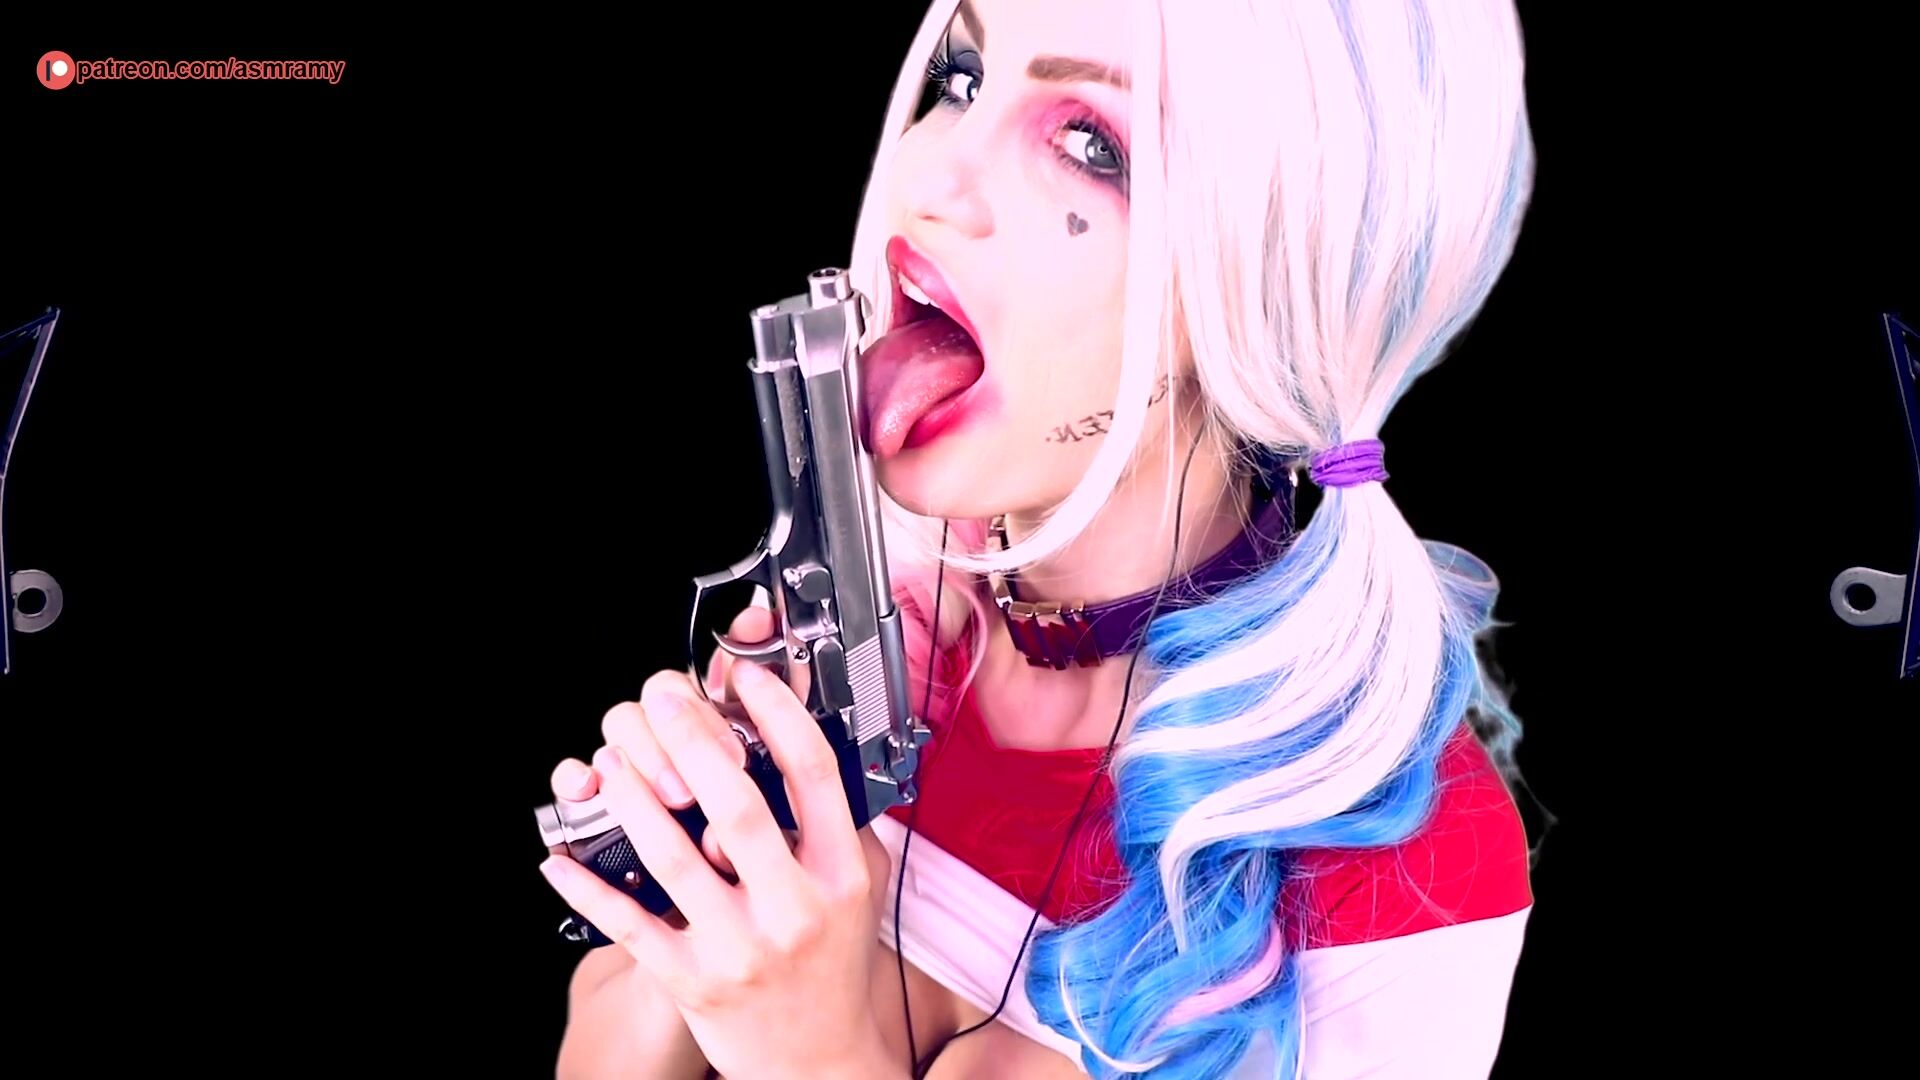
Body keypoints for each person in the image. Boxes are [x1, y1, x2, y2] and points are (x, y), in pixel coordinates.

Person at [537, 0, 1541, 1076]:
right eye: (962, 78)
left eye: (1091, 145)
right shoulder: (886, 625)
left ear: (1280, 286)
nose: (931, 179)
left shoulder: (1404, 862)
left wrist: (809, 1050)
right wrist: (689, 911)